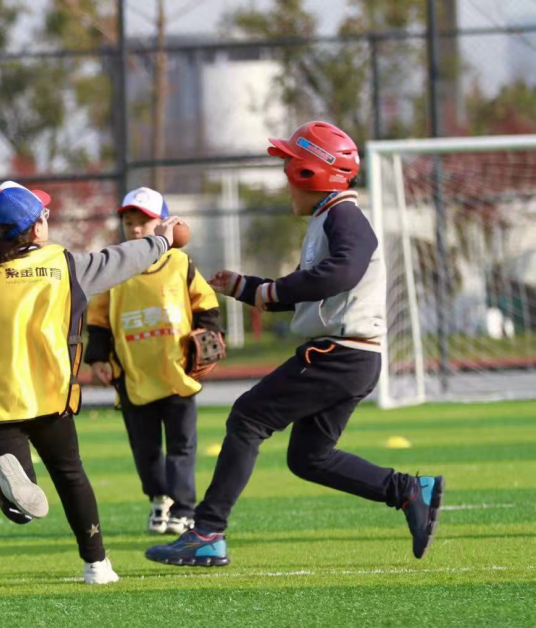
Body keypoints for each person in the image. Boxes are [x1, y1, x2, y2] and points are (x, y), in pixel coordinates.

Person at [145, 121, 444, 568]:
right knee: (308, 458)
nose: (286, 178)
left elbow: (341, 273)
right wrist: (246, 287)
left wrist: (271, 290)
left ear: (310, 173)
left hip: (339, 354)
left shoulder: (345, 217)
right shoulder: (330, 217)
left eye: (290, 167)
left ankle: (206, 532)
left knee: (247, 417)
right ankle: (408, 490)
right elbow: (316, 287)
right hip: (352, 357)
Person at [0, 181, 179, 584]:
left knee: (21, 508)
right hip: (50, 394)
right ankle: (97, 565)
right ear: (37, 227)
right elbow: (120, 259)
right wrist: (161, 242)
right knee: (71, 474)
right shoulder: (65, 266)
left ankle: (12, 490)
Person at [84, 187, 221, 536]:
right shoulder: (115, 268)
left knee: (181, 447)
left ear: (163, 224)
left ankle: (184, 509)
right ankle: (160, 499)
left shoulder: (180, 263)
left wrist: (210, 333)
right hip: (133, 377)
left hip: (176, 373)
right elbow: (98, 320)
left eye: (144, 222)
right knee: (145, 450)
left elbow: (205, 304)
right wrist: (97, 358)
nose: (135, 229)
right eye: (129, 222)